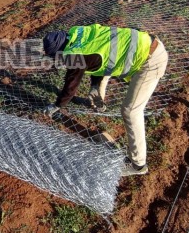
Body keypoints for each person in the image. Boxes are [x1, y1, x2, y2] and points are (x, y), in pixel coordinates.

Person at [42, 24, 168, 176]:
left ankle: (138, 165)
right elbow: (101, 55)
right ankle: (97, 99)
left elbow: (71, 85)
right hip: (145, 44)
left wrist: (57, 106)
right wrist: (95, 86)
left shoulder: (74, 55)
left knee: (131, 111)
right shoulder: (77, 33)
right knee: (106, 66)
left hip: (150, 61)